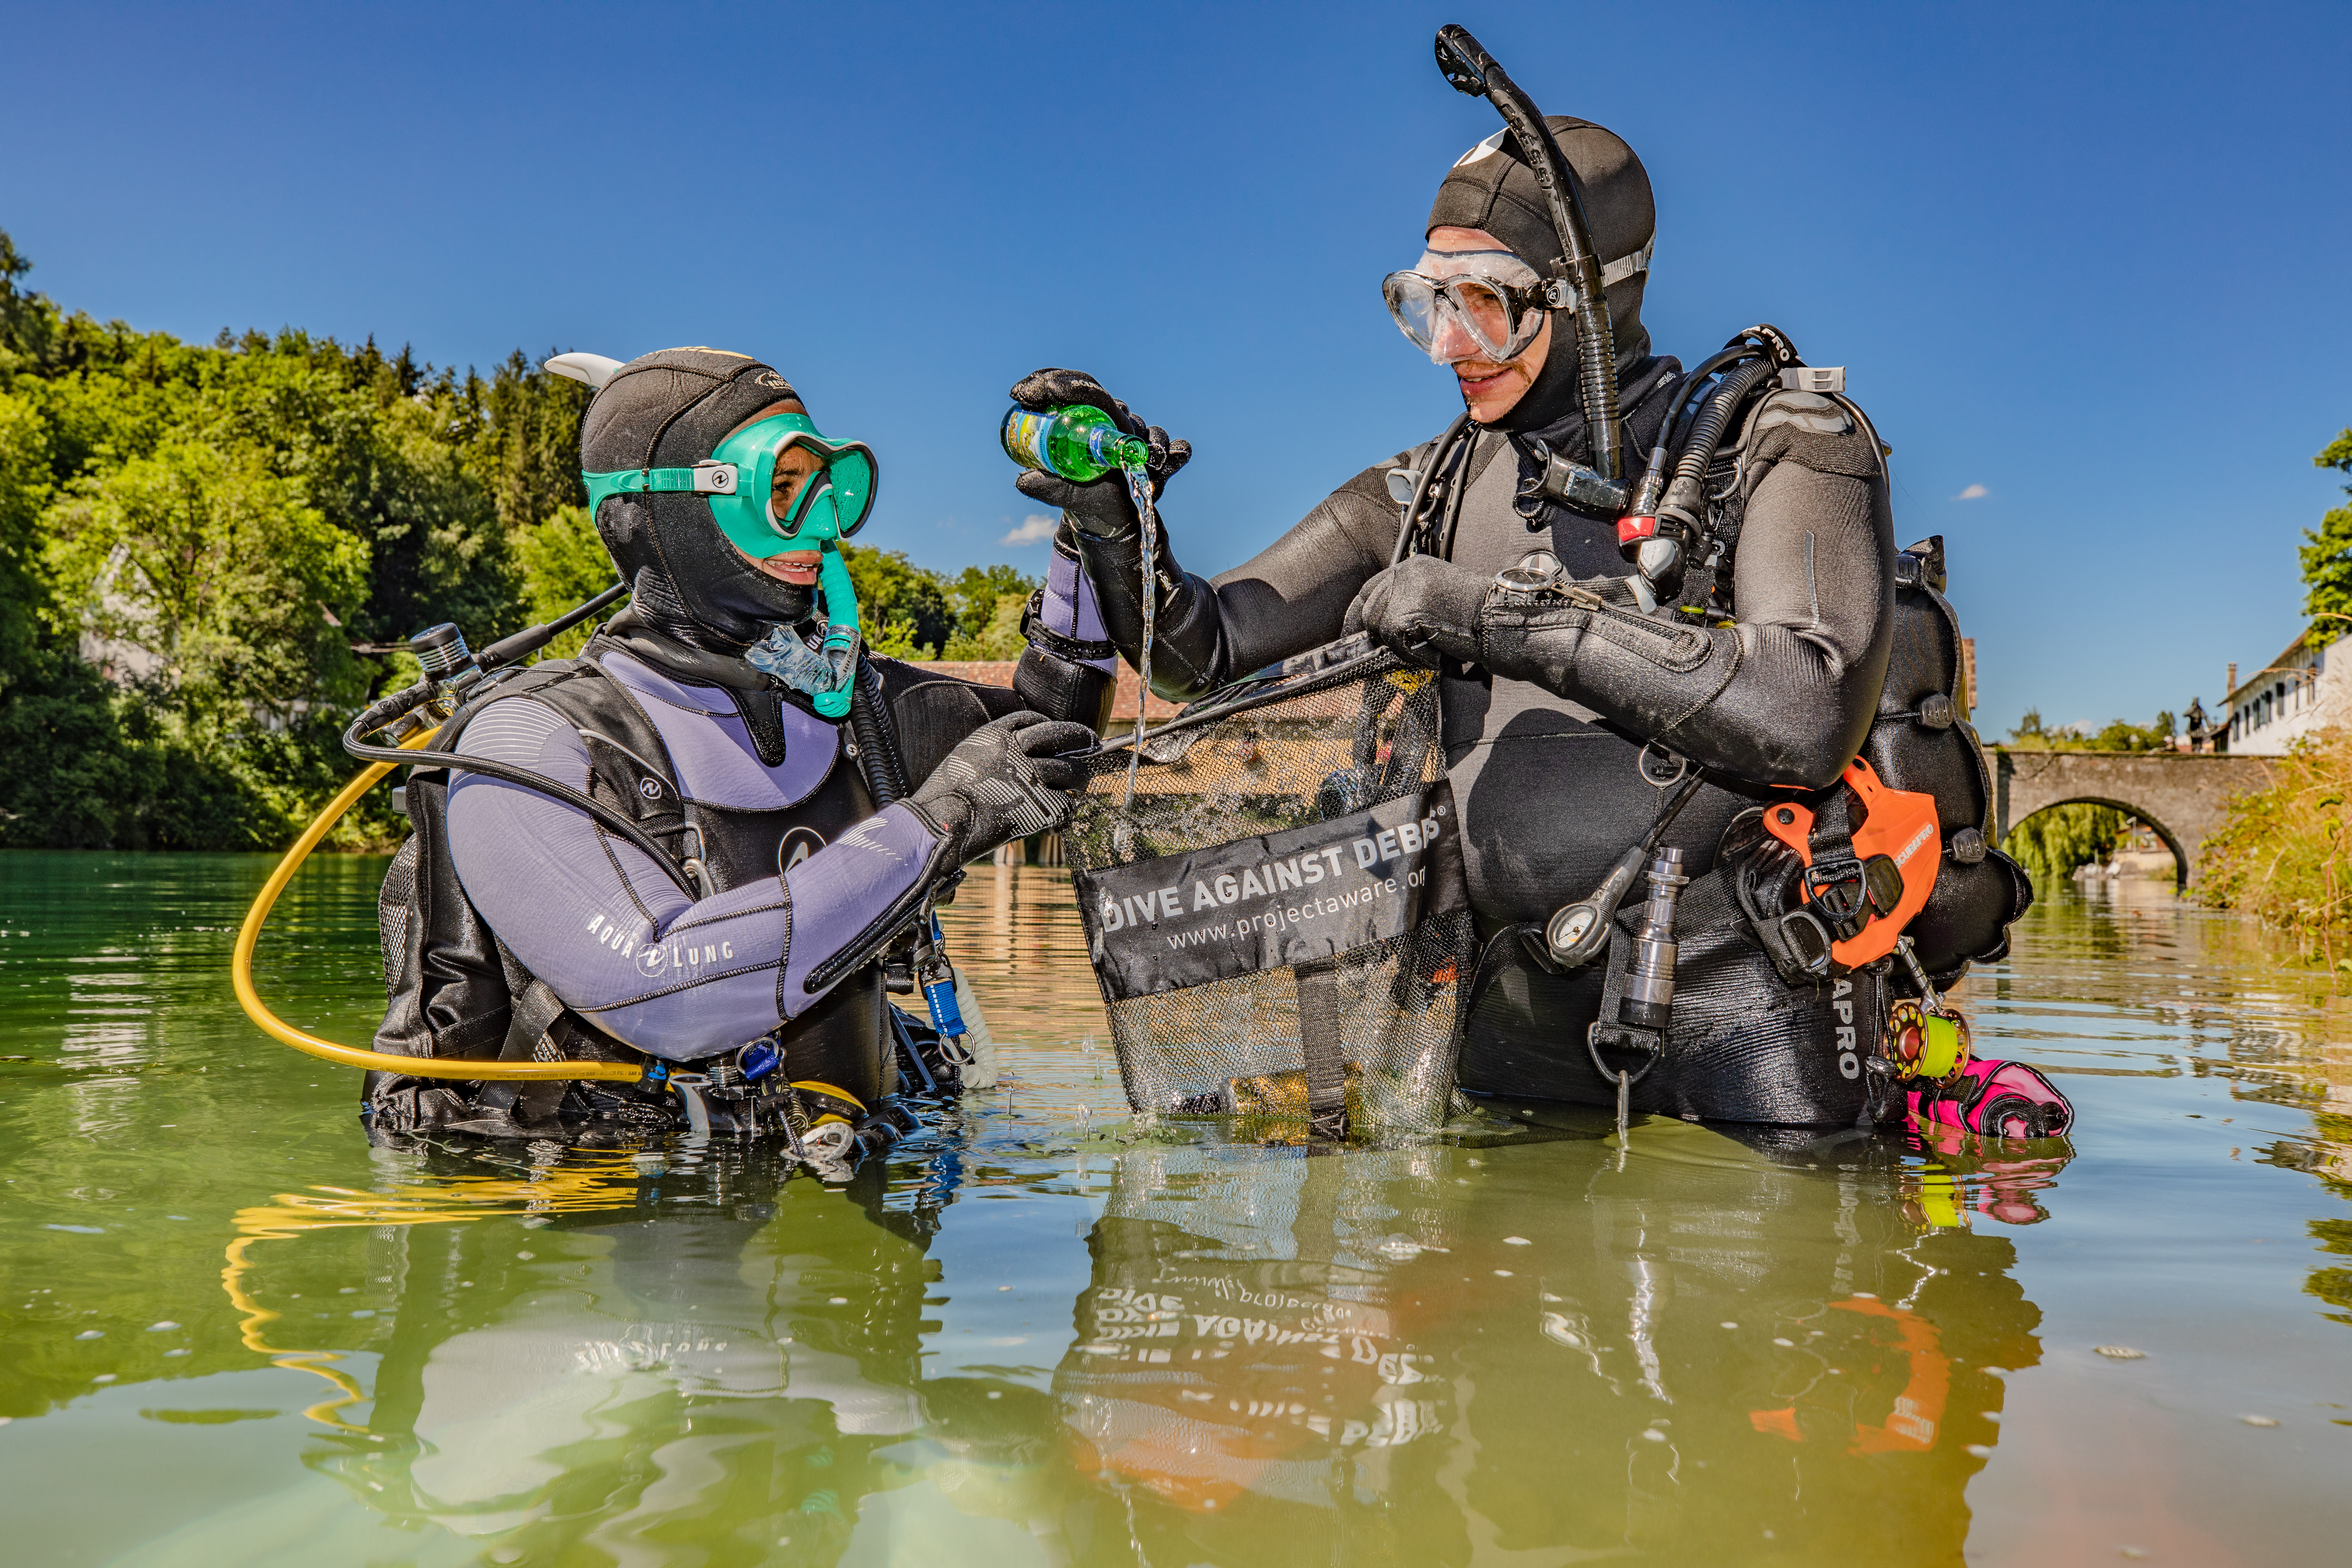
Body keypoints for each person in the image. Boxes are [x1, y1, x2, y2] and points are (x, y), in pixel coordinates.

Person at [1010, 99, 2042, 1125]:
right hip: (1500, 1032)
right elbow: (1204, 650)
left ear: (1591, 294)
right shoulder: (1423, 490)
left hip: (1747, 1018)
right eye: (1425, 303)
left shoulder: (1785, 442)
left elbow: (1807, 711)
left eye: (1485, 303)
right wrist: (1116, 516)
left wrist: (1500, 619)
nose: (1452, 342)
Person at [369, 347, 1096, 1141]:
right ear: (654, 513)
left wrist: (1094, 535)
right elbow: (661, 992)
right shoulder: (530, 740)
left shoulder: (854, 707)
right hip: (614, 1231)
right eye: (779, 490)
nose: (820, 526)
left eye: (828, 489)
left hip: (858, 1180)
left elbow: (1052, 737)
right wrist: (940, 821)